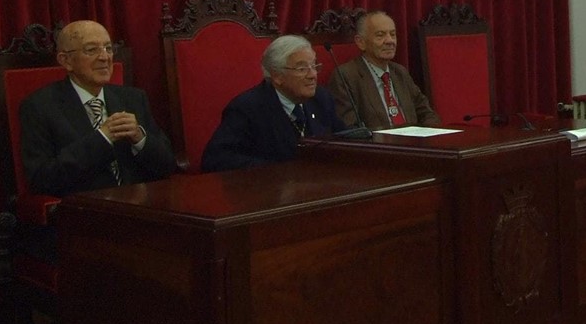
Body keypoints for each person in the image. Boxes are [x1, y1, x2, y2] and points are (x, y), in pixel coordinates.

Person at [19, 20, 176, 262]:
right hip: (83, 225)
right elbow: (42, 178)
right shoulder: (39, 107)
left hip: (140, 217)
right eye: (92, 50)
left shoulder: (133, 98)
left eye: (108, 48)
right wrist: (102, 139)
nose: (105, 57)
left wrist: (140, 138)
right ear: (65, 60)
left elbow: (167, 164)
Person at [201, 35, 345, 171]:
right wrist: (275, 171)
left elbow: (342, 138)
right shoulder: (247, 108)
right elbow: (216, 159)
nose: (313, 75)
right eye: (302, 69)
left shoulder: (321, 98)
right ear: (277, 76)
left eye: (314, 66)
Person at [328, 10, 441, 130]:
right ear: (361, 42)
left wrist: (428, 136)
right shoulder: (346, 76)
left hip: (413, 144)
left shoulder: (400, 72)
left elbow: (427, 113)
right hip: (378, 146)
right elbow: (350, 128)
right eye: (380, 35)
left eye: (393, 34)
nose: (390, 41)